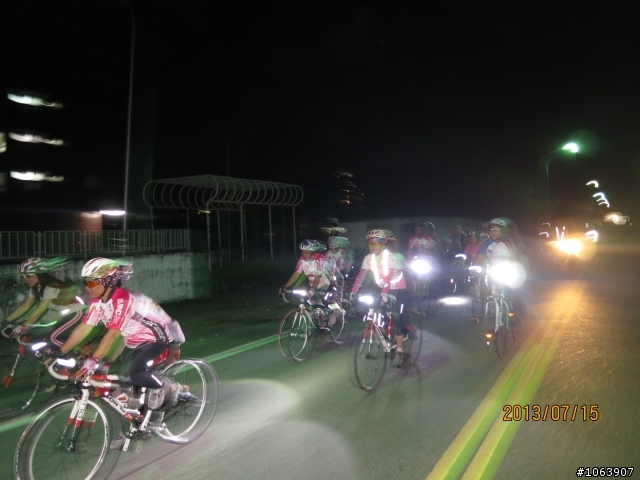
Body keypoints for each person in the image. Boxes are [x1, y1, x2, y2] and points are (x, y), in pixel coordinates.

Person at [57, 258, 185, 420]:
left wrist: (94, 359)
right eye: (85, 282)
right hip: (133, 342)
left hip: (156, 338)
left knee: (132, 374)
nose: (87, 287)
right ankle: (146, 421)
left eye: (91, 283)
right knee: (128, 384)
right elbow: (84, 328)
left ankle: (170, 387)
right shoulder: (97, 302)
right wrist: (60, 352)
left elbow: (113, 334)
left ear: (109, 281)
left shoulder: (123, 299)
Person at [351, 229, 412, 366]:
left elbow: (388, 277)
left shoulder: (391, 257)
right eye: (370, 244)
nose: (372, 247)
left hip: (397, 288)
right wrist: (353, 291)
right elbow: (361, 276)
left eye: (376, 244)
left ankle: (400, 350)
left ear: (383, 244)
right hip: (381, 286)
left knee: (395, 317)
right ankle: (384, 334)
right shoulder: (368, 258)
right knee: (377, 311)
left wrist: (384, 294)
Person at [2, 257, 87, 345]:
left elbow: (41, 309)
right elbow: (25, 306)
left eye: (28, 275)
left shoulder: (50, 286)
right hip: (68, 315)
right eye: (23, 276)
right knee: (52, 339)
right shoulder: (35, 288)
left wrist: (25, 326)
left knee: (53, 338)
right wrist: (4, 322)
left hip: (77, 313)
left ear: (40, 274)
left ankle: (69, 352)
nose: (25, 279)